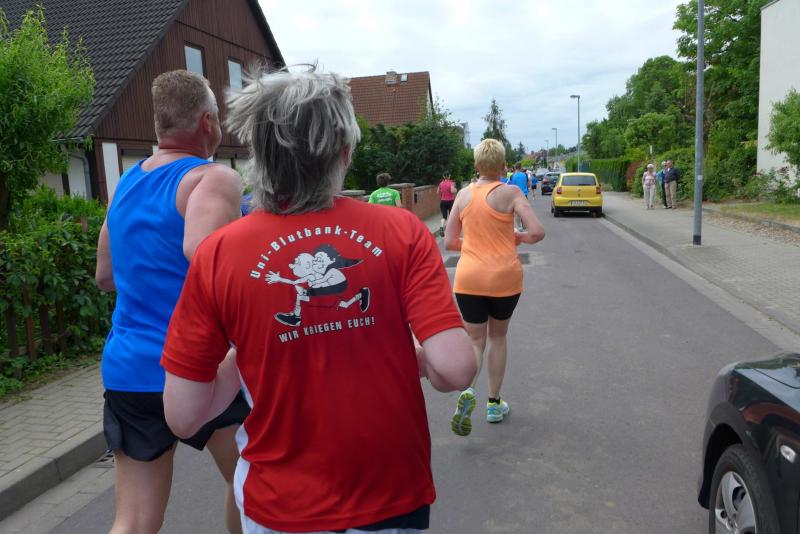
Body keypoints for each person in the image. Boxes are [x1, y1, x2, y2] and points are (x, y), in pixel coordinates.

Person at [160, 67, 477, 533]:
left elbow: (184, 416)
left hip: (280, 505)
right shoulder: (402, 231)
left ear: (258, 155)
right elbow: (456, 369)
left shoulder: (218, 254)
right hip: (390, 493)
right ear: (344, 153)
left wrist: (246, 355)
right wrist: (416, 358)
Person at [94, 70, 247, 534]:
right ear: (207, 122)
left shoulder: (125, 184)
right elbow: (212, 265)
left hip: (129, 369)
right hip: (202, 365)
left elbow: (104, 277)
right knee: (251, 486)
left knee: (134, 520)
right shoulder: (213, 178)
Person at [444, 138, 545, 437]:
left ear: (476, 165)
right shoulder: (512, 193)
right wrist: (518, 237)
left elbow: (449, 242)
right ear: (502, 166)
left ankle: (468, 391)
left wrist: (472, 243)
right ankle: (493, 404)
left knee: (475, 341)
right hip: (504, 278)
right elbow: (537, 232)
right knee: (498, 337)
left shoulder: (463, 195)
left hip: (469, 279)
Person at [437, 171, 457, 236]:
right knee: (451, 216)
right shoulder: (451, 183)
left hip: (443, 202)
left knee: (444, 217)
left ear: (443, 176)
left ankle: (441, 227)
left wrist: (443, 193)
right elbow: (452, 191)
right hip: (450, 201)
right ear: (449, 176)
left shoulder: (441, 183)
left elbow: (437, 192)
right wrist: (455, 190)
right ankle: (450, 230)